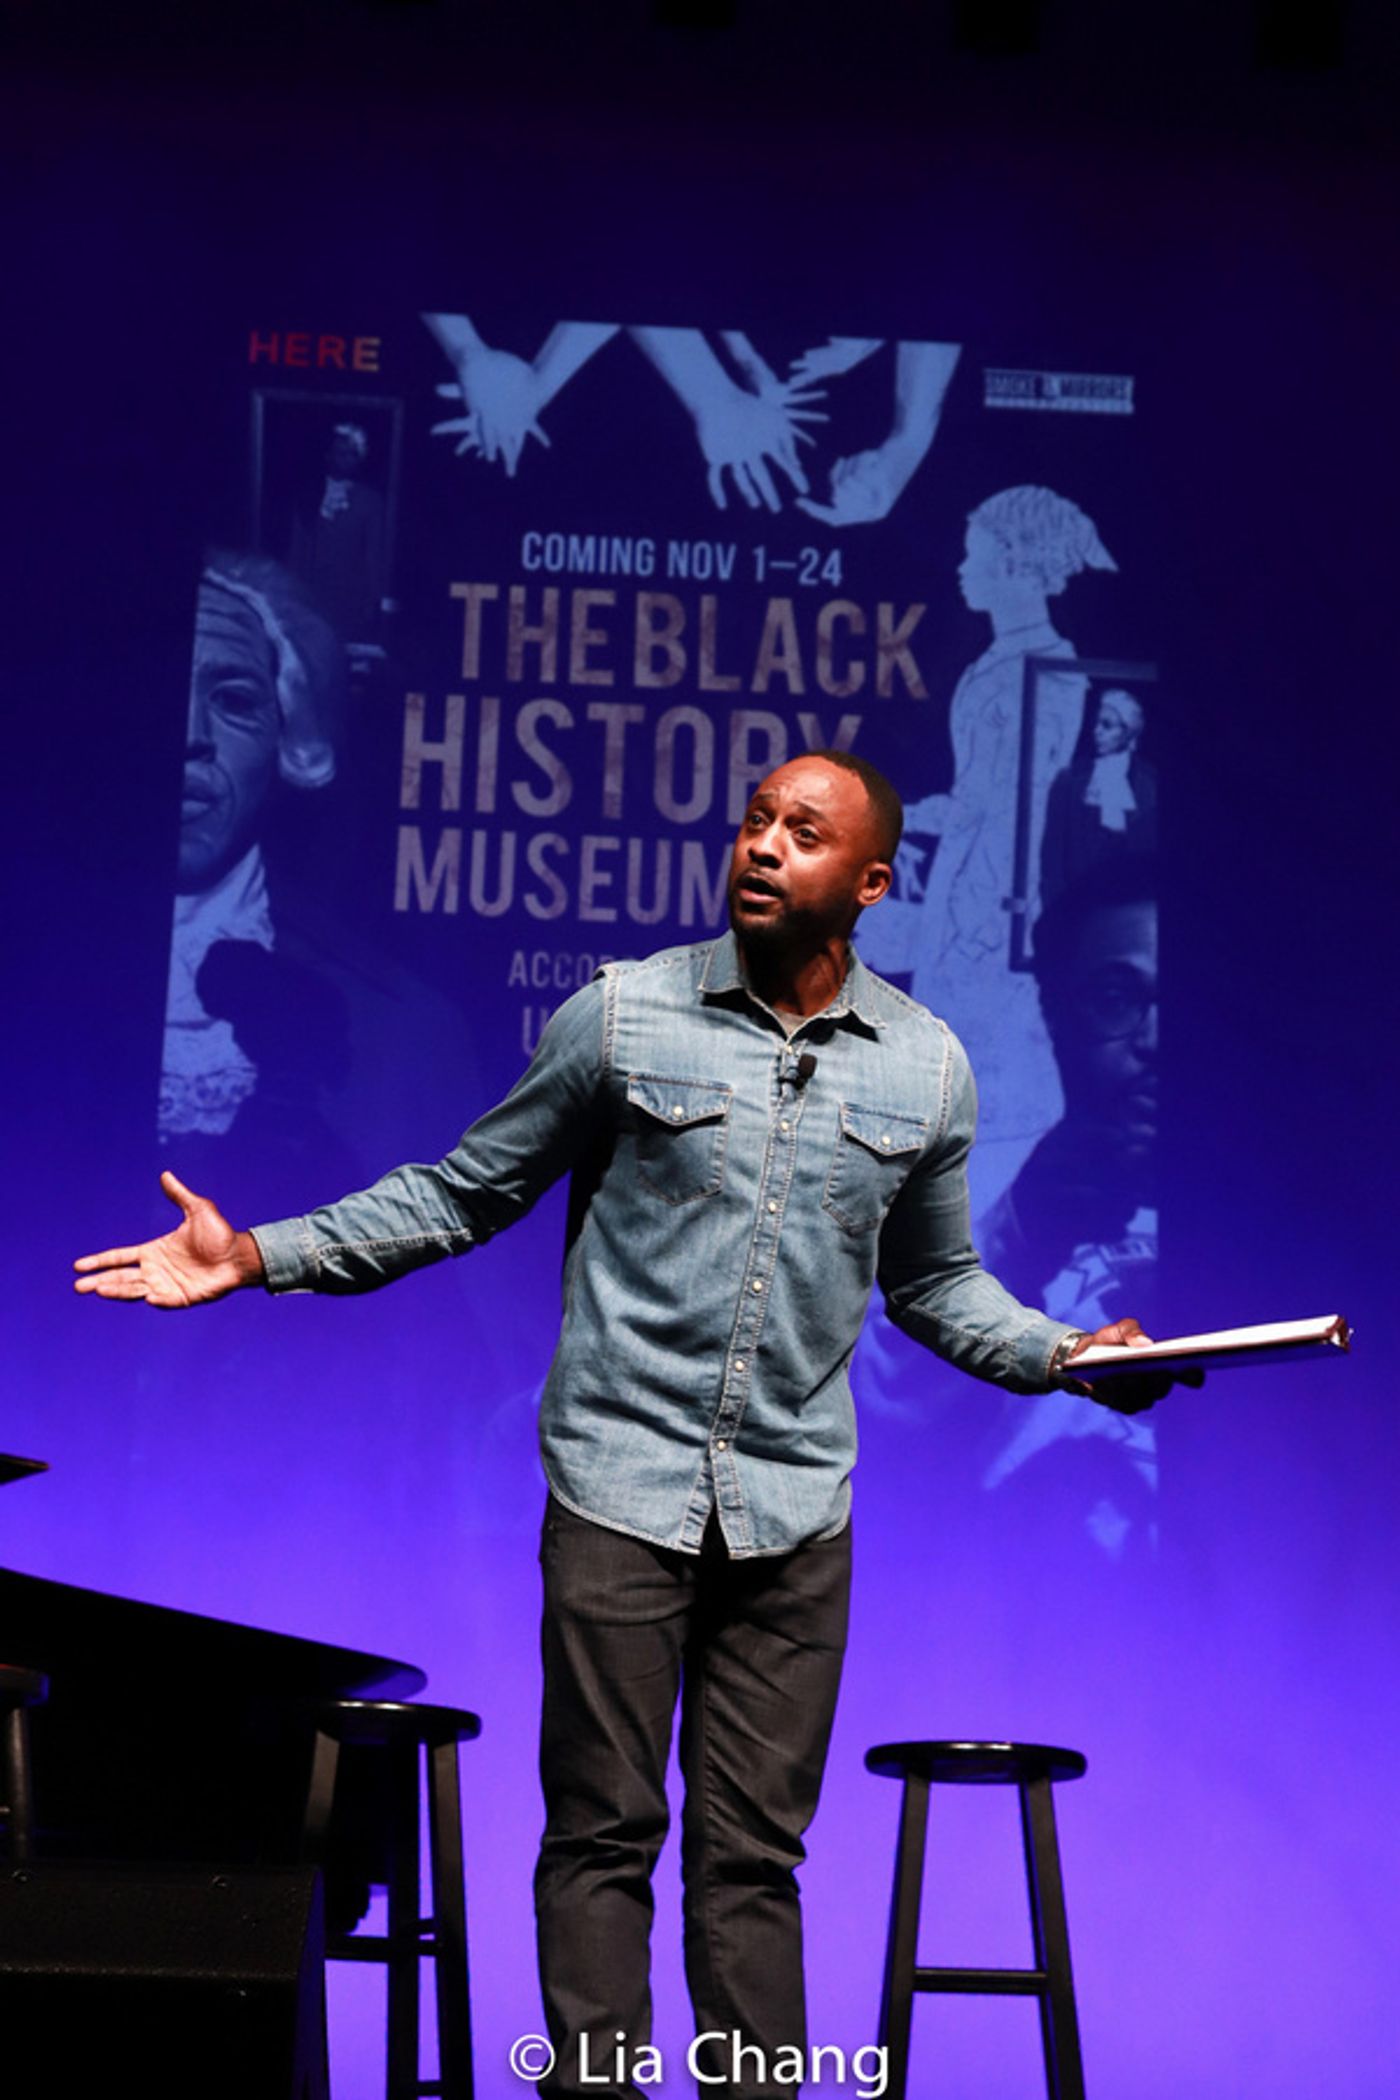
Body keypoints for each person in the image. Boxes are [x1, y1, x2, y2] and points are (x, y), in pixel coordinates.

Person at [76, 751, 1171, 2099]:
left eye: (806, 833)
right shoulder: (626, 1017)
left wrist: (1066, 1355)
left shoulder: (926, 1069)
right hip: (620, 1492)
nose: (766, 846)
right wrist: (257, 1251)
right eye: (755, 820)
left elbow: (937, 1286)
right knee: (602, 1832)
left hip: (794, 1514)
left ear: (872, 882)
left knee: (753, 1860)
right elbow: (459, 1194)